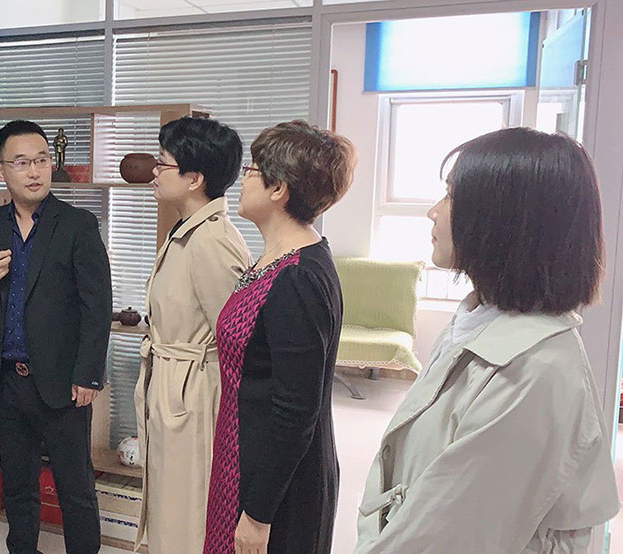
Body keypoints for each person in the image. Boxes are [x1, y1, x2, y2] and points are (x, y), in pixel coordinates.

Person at [354, 128, 619, 553]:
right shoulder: (476, 323)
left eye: (451, 196)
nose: (433, 212)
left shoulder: (536, 372)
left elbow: (443, 538)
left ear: (502, 219)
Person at [0, 120, 112, 554]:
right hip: (8, 380)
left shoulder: (78, 224)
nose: (34, 171)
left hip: (63, 383)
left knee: (75, 489)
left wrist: (88, 374)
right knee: (18, 487)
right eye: (22, 162)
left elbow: (97, 307)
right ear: (0, 170)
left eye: (41, 160)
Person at [202, 120, 351, 554]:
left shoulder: (298, 277)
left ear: (278, 189)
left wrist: (258, 514)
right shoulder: (275, 259)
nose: (243, 178)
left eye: (252, 169)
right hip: (244, 456)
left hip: (280, 486)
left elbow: (296, 409)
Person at [133, 116, 251, 553]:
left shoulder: (212, 240)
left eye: (162, 163)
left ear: (194, 178)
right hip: (174, 385)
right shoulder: (186, 230)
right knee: (167, 512)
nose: (154, 172)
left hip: (195, 395)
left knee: (186, 519)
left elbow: (238, 339)